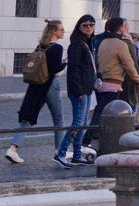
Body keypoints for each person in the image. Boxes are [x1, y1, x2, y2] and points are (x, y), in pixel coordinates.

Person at [8, 20, 66, 166]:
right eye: (61, 30)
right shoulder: (57, 48)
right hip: (50, 85)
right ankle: (60, 151)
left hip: (36, 85)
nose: (63, 32)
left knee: (27, 118)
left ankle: (12, 148)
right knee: (58, 118)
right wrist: (66, 62)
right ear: (54, 31)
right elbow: (55, 68)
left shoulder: (40, 46)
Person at [57, 15, 97, 165]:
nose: (89, 27)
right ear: (79, 27)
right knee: (78, 122)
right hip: (79, 91)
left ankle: (77, 154)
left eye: (91, 25)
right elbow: (73, 69)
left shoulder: (87, 43)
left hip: (87, 89)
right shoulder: (76, 44)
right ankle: (61, 152)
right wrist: (79, 90)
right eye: (85, 25)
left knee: (83, 123)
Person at [96, 16, 139, 120]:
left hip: (103, 81)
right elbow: (130, 64)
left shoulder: (104, 42)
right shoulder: (121, 44)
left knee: (101, 111)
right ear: (121, 28)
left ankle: (93, 134)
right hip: (114, 83)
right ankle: (90, 136)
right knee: (108, 115)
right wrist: (138, 80)